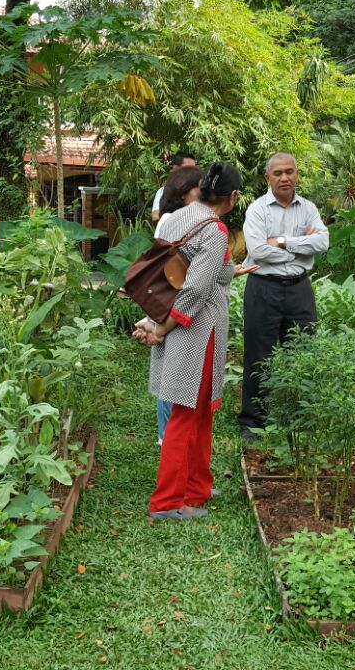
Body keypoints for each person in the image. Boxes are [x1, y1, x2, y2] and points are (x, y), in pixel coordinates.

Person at [140, 162, 243, 521]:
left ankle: (197, 487)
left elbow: (166, 272)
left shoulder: (175, 218)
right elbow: (196, 288)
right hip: (196, 329)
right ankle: (167, 502)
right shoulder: (214, 230)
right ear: (232, 197)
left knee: (199, 412)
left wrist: (155, 320)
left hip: (174, 319)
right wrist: (164, 328)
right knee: (186, 413)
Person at [238, 152, 329, 441]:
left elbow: (323, 242)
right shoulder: (257, 210)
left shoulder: (309, 209)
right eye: (277, 173)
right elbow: (258, 250)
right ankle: (253, 421)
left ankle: (298, 417)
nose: (284, 178)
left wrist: (282, 241)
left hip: (300, 288)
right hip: (263, 288)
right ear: (268, 178)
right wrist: (303, 246)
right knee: (258, 354)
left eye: (289, 172)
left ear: (297, 174)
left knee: (301, 352)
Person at [139, 165, 205, 446]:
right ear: (184, 192)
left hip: (174, 302)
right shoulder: (174, 221)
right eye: (199, 189)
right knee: (172, 372)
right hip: (174, 301)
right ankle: (168, 436)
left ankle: (169, 435)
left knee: (172, 371)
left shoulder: (183, 219)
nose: (204, 194)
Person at [151, 152, 198, 223]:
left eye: (193, 168)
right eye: (187, 169)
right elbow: (155, 216)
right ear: (175, 168)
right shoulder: (163, 191)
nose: (191, 172)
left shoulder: (198, 190)